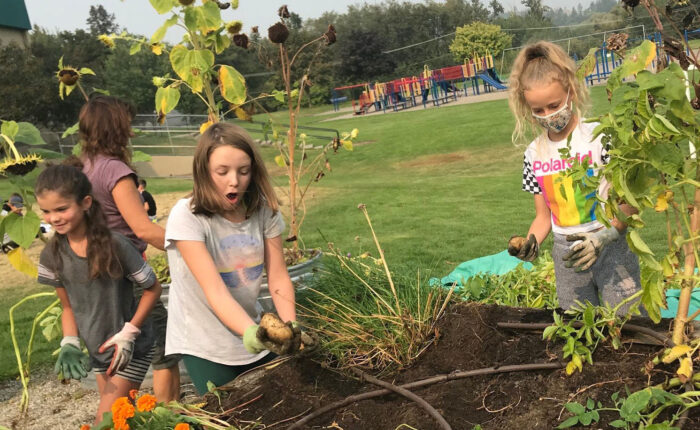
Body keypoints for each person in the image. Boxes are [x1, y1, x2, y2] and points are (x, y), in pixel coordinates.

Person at [506, 41, 643, 314]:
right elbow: (543, 217)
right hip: (566, 254)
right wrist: (531, 242)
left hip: (611, 245)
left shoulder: (600, 137)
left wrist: (606, 236)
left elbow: (630, 203)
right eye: (538, 110)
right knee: (577, 324)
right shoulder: (533, 154)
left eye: (554, 105)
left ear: (571, 90)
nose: (548, 116)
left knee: (627, 322)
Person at [164, 122, 299, 395]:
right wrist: (250, 332)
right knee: (224, 412)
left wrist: (290, 327)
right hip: (205, 340)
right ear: (204, 171)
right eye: (222, 172)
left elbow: (278, 277)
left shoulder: (265, 211)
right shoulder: (187, 216)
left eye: (243, 171)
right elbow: (214, 289)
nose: (234, 181)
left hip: (251, 326)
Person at [35, 163, 162, 424]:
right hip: (99, 350)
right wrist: (69, 342)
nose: (54, 218)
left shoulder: (116, 245)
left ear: (85, 203)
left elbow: (153, 288)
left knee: (103, 422)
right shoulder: (51, 255)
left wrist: (130, 332)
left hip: (130, 348)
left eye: (61, 209)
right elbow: (68, 307)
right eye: (46, 211)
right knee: (121, 422)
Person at [78, 95, 180, 402]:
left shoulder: (84, 167)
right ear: (117, 127)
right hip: (127, 272)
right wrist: (189, 247)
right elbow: (143, 228)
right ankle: (169, 417)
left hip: (97, 273)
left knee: (109, 352)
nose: (131, 129)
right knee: (164, 350)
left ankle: (117, 418)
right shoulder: (115, 171)